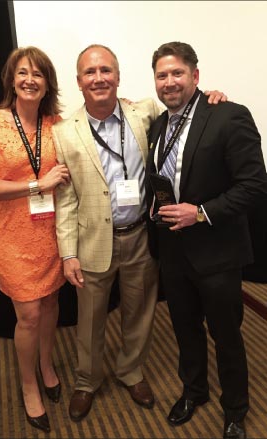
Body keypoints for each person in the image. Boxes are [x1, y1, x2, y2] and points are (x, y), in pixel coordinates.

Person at [52, 43, 226, 422]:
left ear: (118, 76)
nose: (99, 78)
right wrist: (68, 253)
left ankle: (131, 371)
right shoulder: (64, 133)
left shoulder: (144, 112)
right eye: (90, 72)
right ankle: (87, 381)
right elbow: (65, 201)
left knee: (140, 313)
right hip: (93, 241)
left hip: (141, 238)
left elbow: (186, 112)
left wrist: (212, 97)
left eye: (106, 70)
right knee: (91, 320)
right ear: (79, 81)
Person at [145, 41, 267, 439]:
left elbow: (254, 185)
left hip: (217, 251)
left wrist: (199, 212)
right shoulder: (160, 125)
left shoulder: (228, 115)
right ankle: (193, 391)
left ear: (195, 76)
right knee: (184, 328)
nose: (169, 82)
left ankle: (235, 409)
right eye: (162, 75)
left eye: (177, 73)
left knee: (227, 335)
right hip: (174, 250)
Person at [0, 46, 70, 433]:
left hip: (50, 231)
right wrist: (37, 184)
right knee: (28, 314)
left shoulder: (55, 123)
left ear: (47, 84)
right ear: (12, 79)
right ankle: (29, 383)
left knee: (50, 302)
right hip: (9, 237)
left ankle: (47, 366)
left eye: (38, 74)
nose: (30, 80)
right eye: (23, 73)